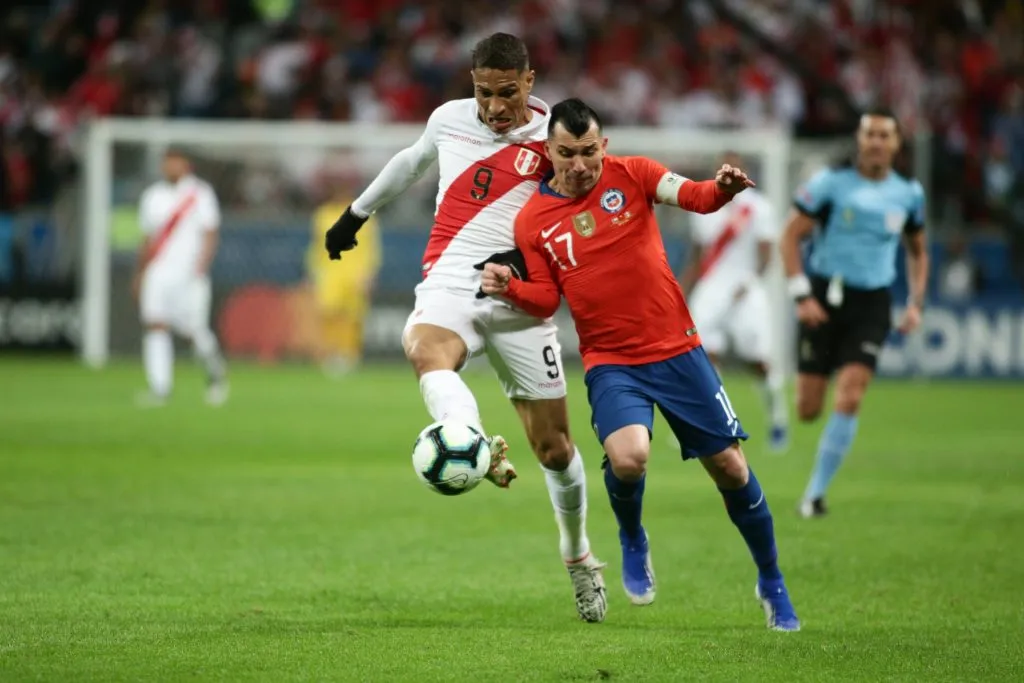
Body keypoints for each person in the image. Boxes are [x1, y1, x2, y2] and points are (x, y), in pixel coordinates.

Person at [481, 98, 800, 631]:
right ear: (548, 150)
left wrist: (721, 188)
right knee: (628, 460)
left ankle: (772, 581)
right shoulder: (533, 220)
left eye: (588, 152)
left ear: (602, 145)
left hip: (678, 349)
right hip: (611, 361)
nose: (580, 165)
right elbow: (544, 299)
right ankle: (632, 537)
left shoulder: (634, 174)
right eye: (567, 154)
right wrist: (509, 286)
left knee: (730, 468)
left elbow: (695, 197)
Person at [323, 34, 606, 623]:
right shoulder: (450, 119)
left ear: (529, 82)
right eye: (484, 92)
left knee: (555, 450)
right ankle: (471, 440)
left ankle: (578, 557)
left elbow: (589, 197)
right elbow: (410, 161)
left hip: (523, 295)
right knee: (424, 348)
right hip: (452, 281)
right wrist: (357, 213)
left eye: (507, 93)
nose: (495, 107)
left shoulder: (557, 131)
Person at [780, 107, 929, 519]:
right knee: (808, 409)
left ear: (897, 144)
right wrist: (801, 295)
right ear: (859, 141)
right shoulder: (830, 184)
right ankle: (809, 423)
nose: (877, 142)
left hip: (872, 303)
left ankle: (814, 495)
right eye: (870, 135)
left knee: (851, 394)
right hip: (823, 298)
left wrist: (915, 303)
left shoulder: (909, 194)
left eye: (885, 135)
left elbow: (918, 250)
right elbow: (790, 236)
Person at [679, 151, 789, 452]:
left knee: (758, 361)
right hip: (711, 289)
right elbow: (698, 255)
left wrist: (749, 283)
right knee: (704, 357)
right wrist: (683, 290)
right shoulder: (701, 204)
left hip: (745, 289)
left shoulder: (759, 207)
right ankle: (712, 424)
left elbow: (766, 254)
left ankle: (777, 418)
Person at [132, 148, 228, 407]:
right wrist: (140, 273)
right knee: (155, 324)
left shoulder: (200, 193)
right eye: (166, 162)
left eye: (174, 161)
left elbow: (210, 232)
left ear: (186, 164)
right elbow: (146, 238)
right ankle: (160, 388)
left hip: (188, 274)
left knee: (194, 332)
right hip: (158, 271)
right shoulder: (152, 196)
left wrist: (201, 266)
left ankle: (215, 372)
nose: (169, 166)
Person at [307, 174, 381, 376]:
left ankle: (349, 356)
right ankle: (331, 354)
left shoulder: (365, 215)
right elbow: (316, 247)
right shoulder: (322, 215)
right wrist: (314, 272)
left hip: (356, 272)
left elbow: (372, 249)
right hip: (331, 271)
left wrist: (369, 274)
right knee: (329, 314)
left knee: (352, 317)